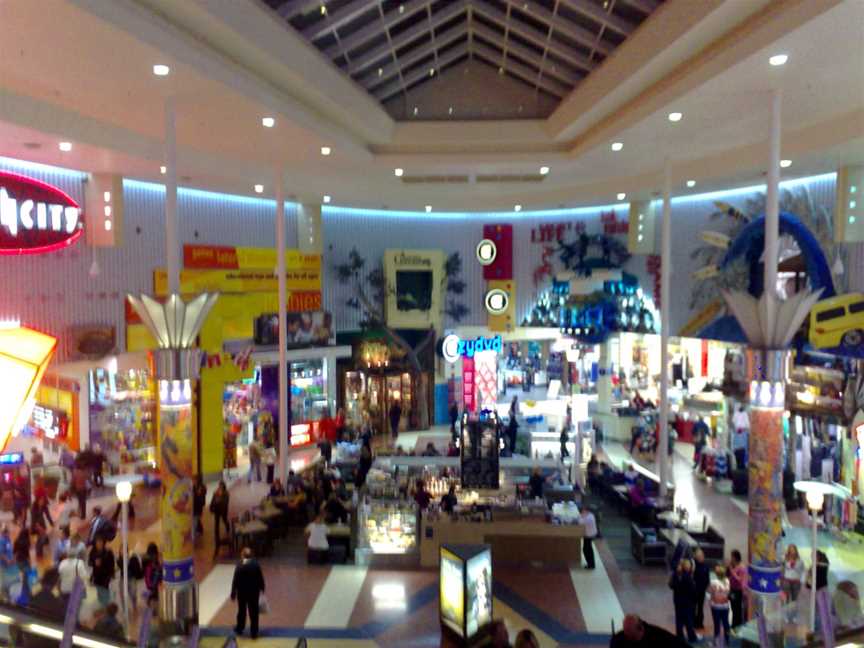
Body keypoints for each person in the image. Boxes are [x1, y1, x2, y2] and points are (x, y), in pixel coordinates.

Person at [231, 547, 266, 639]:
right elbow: (260, 577)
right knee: (254, 612)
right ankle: (254, 632)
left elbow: (235, 580)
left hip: (242, 593)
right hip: (254, 592)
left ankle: (240, 628)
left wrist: (233, 592)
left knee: (241, 611)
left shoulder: (240, 565)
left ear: (242, 555)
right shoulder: (255, 564)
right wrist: (262, 588)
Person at [609, 613, 691, 647]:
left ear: (640, 628)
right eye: (625, 630)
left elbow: (679, 644)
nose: (625, 633)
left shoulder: (658, 636)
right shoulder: (619, 639)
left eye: (629, 631)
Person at [669, 558, 699, 644]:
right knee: (688, 620)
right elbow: (693, 590)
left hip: (678, 601)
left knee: (679, 620)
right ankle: (692, 637)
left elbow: (671, 585)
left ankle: (680, 637)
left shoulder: (675, 575)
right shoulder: (688, 577)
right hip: (687, 602)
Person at [88, 536, 115, 608]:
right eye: (97, 542)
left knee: (105, 592)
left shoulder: (108, 552)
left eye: (100, 542)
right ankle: (102, 606)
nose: (99, 543)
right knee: (98, 592)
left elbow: (112, 564)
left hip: (105, 576)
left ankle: (106, 607)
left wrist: (111, 574)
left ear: (103, 543)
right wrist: (94, 562)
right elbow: (89, 562)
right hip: (96, 576)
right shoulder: (93, 552)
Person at [707, 564, 731, 644]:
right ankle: (727, 639)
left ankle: (716, 640)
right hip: (725, 606)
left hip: (716, 606)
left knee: (717, 624)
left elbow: (708, 591)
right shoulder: (727, 581)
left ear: (716, 574)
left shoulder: (713, 582)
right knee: (726, 623)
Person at [30, 493, 53, 559]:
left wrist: (52, 523)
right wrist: (39, 527)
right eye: (41, 500)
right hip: (35, 524)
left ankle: (41, 549)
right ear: (37, 500)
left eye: (43, 500)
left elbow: (48, 515)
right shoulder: (34, 507)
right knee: (41, 538)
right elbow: (33, 519)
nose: (42, 501)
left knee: (43, 538)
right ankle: (39, 553)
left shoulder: (44, 506)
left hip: (41, 523)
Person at [210, 481, 230, 555]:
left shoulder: (226, 494)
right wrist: (212, 507)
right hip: (217, 510)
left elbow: (225, 504)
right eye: (219, 486)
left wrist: (220, 498)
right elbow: (213, 501)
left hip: (223, 510)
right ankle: (216, 536)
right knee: (216, 523)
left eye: (221, 486)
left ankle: (228, 527)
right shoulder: (216, 493)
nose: (219, 487)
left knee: (224, 519)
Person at [728, 549, 747, 627]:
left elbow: (740, 580)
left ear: (735, 557)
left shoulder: (741, 567)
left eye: (732, 557)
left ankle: (737, 625)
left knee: (737, 609)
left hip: (738, 591)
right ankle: (734, 624)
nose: (730, 558)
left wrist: (732, 571)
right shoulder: (734, 566)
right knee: (733, 607)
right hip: (732, 590)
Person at [692, 548, 710, 630]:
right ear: (695, 556)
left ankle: (699, 623)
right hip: (694, 590)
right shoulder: (693, 565)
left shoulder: (705, 565)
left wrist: (707, 586)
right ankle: (692, 622)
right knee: (693, 607)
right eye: (699, 556)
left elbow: (707, 577)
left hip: (702, 590)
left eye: (702, 555)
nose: (701, 557)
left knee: (700, 607)